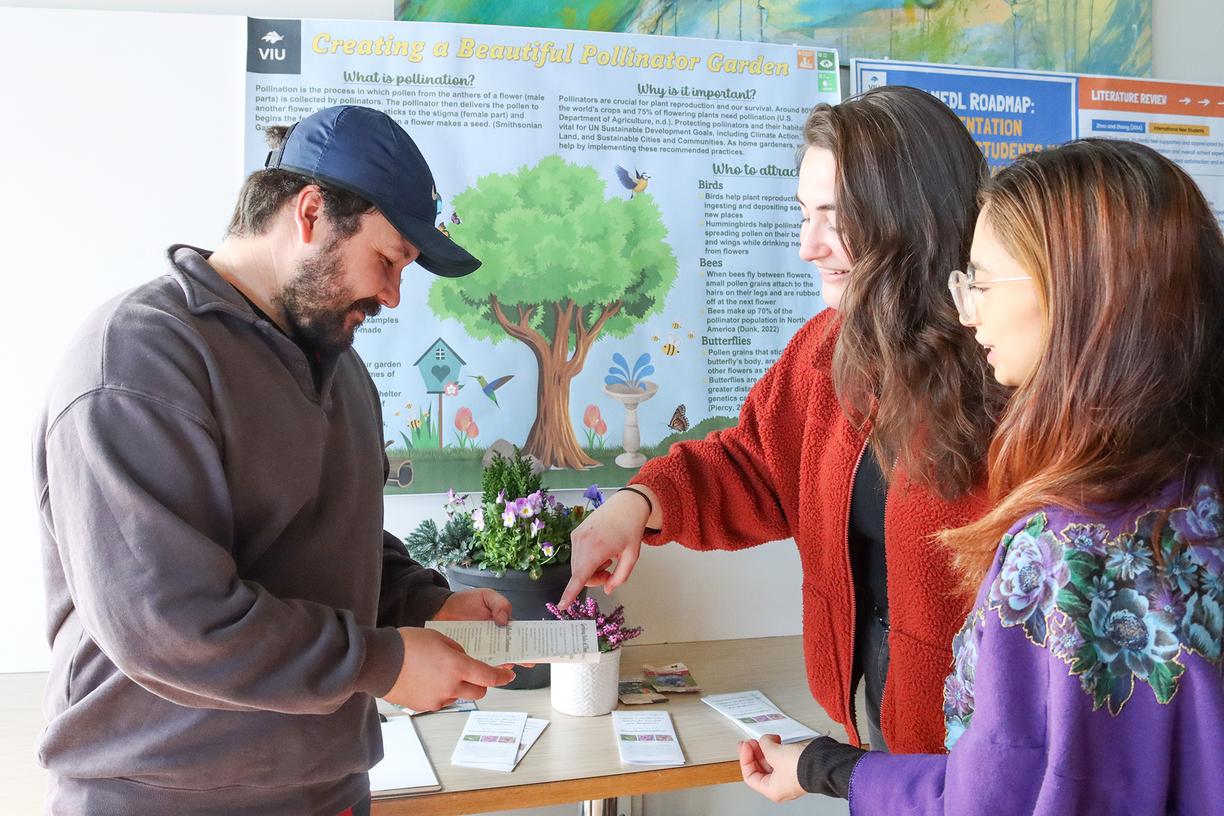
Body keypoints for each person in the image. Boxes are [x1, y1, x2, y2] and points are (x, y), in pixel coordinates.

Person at [33, 105, 517, 815]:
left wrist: (424, 602)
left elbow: (327, 541)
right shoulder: (138, 360)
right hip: (158, 796)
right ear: (311, 213)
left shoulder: (343, 373)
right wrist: (383, 662)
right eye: (387, 260)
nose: (391, 295)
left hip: (328, 789)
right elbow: (171, 622)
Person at [739, 139, 1224, 812]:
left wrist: (826, 769)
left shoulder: (1065, 552)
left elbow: (992, 797)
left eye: (982, 282)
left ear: (1081, 295)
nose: (968, 312)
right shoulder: (1196, 486)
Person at [562, 85, 1005, 755]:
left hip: (988, 744)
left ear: (909, 215)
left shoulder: (1006, 364)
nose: (809, 246)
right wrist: (641, 500)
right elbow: (756, 463)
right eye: (803, 215)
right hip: (872, 720)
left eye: (833, 217)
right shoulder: (825, 349)